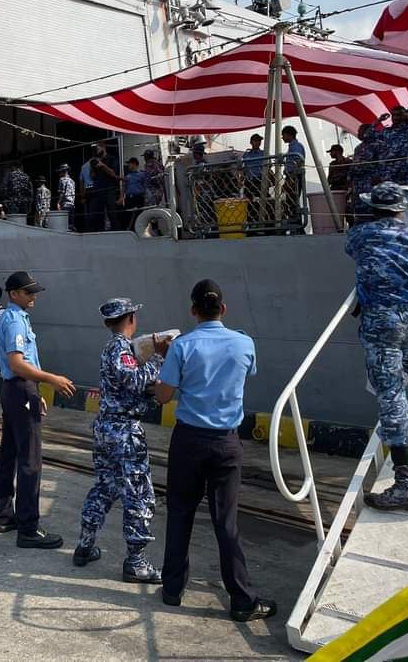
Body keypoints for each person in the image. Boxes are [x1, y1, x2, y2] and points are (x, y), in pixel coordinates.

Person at [153, 279, 275, 622]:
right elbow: (245, 373)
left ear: (193, 311)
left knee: (180, 513)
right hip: (226, 442)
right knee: (226, 521)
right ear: (223, 308)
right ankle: (242, 600)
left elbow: (163, 396)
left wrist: (165, 358)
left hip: (188, 441)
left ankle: (172, 589)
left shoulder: (181, 347)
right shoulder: (244, 343)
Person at [345, 183, 408, 511]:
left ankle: (406, 485)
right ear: (403, 208)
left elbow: (352, 249)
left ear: (373, 208)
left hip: (382, 323)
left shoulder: (361, 235)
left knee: (390, 396)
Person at [73, 299, 171, 583]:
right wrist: (159, 357)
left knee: (105, 487)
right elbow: (134, 381)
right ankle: (136, 562)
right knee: (138, 494)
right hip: (124, 431)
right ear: (130, 319)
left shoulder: (114, 348)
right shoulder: (120, 348)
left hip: (107, 427)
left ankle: (85, 545)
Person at [0, 271, 76, 549]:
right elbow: (17, 364)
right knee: (30, 459)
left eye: (34, 292)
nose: (33, 297)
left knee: (9, 453)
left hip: (15, 390)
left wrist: (35, 391)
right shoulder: (16, 320)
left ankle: (4, 516)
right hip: (20, 388)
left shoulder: (11, 317)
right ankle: (28, 528)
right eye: (28, 292)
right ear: (14, 294)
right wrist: (51, 379)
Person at [350, 122, 389, 223]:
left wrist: (379, 178)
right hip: (358, 183)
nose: (358, 133)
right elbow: (354, 165)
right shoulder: (358, 148)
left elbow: (383, 164)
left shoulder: (379, 145)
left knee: (371, 209)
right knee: (359, 210)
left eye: (361, 131)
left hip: (370, 182)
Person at [85, 143, 120, 232]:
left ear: (103, 147)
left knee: (112, 215)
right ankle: (96, 233)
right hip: (97, 190)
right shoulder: (95, 160)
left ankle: (116, 233)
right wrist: (92, 167)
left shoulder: (112, 159)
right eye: (94, 149)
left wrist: (102, 165)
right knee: (94, 215)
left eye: (97, 148)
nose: (96, 151)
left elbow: (113, 173)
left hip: (109, 190)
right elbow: (92, 176)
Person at [280, 125, 305, 230]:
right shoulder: (293, 147)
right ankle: (295, 223)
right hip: (291, 176)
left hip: (294, 177)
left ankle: (296, 224)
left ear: (289, 135)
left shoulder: (296, 147)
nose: (282, 137)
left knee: (293, 201)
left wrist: (290, 179)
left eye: (283, 135)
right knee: (291, 201)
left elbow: (298, 163)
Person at [241, 134, 267, 228]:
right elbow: (243, 169)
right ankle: (251, 222)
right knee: (248, 202)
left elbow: (268, 166)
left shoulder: (263, 153)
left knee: (263, 201)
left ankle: (263, 221)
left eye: (259, 141)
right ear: (251, 142)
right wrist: (241, 180)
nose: (258, 142)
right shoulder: (246, 154)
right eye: (256, 140)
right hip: (249, 181)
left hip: (259, 180)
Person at [120, 158, 147, 231]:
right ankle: (128, 229)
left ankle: (138, 229)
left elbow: (145, 186)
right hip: (129, 198)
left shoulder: (142, 174)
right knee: (127, 214)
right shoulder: (127, 176)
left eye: (130, 164)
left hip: (138, 197)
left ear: (134, 164)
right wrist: (121, 197)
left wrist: (145, 196)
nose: (128, 165)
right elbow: (124, 187)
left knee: (138, 214)